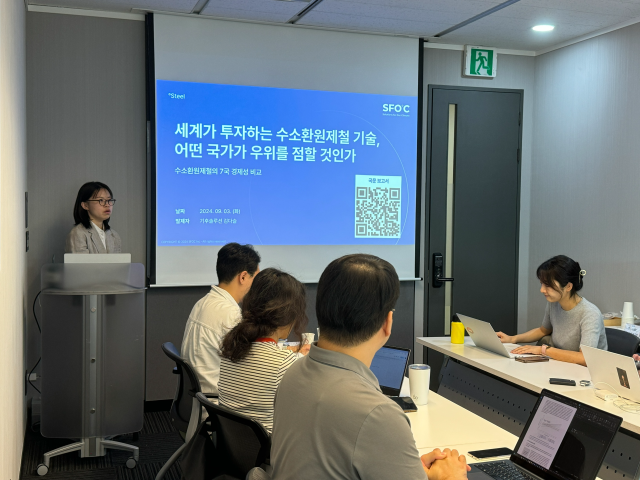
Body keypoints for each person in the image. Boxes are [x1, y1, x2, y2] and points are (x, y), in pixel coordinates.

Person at [268, 254, 470, 480]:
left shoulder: (292, 375)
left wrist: (404, 467)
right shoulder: (378, 414)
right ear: (387, 323)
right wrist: (450, 477)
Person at [218, 268, 309, 434]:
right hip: (270, 450)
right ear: (291, 315)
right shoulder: (284, 363)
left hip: (232, 445)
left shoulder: (231, 346)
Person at [181, 243, 261, 395]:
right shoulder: (230, 314)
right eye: (255, 278)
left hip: (198, 400)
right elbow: (253, 366)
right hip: (216, 405)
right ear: (243, 277)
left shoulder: (203, 303)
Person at [497, 255, 607, 366]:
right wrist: (513, 339)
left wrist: (543, 350)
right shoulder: (553, 303)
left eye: (548, 285)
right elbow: (543, 331)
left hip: (587, 373)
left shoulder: (590, 314)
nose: (542, 290)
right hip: (562, 365)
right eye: (542, 284)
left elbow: (584, 358)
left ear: (568, 286)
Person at [66, 181, 121, 254]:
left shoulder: (114, 235)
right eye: (101, 200)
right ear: (85, 205)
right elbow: (81, 265)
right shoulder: (78, 233)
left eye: (109, 200)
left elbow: (118, 264)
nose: (107, 205)